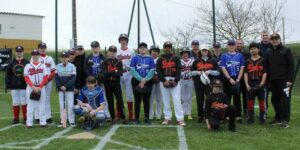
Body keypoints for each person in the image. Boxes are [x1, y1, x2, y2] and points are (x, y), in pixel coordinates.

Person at [267, 33, 294, 128]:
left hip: (284, 80)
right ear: (270, 40)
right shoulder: (269, 51)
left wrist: (290, 79)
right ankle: (278, 117)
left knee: (285, 100)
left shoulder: (286, 50)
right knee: (274, 99)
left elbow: (291, 65)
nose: (274, 41)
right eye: (272, 39)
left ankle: (285, 120)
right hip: (273, 80)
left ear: (279, 39)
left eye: (276, 39)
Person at [156, 41, 186, 126]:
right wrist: (163, 80)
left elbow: (179, 69)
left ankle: (180, 119)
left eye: (169, 47)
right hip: (164, 79)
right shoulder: (160, 59)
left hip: (174, 79)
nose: (167, 48)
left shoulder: (176, 58)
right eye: (166, 47)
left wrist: (176, 81)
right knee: (165, 99)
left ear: (171, 48)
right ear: (164, 48)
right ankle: (167, 117)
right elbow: (158, 70)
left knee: (176, 99)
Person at [191, 44, 220, 123]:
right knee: (199, 98)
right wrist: (197, 72)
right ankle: (200, 115)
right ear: (200, 51)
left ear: (208, 51)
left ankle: (209, 114)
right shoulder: (196, 61)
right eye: (203, 50)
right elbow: (191, 72)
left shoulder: (213, 60)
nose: (204, 51)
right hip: (198, 82)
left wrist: (210, 71)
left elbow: (218, 72)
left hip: (209, 82)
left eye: (206, 50)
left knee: (209, 98)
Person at [83, 41, 111, 119]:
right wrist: (91, 79)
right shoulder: (88, 58)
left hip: (101, 81)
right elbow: (85, 68)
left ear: (99, 48)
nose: (95, 48)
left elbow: (105, 69)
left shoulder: (103, 58)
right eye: (93, 47)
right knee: (90, 97)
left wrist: (99, 77)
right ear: (91, 48)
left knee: (103, 97)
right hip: (91, 83)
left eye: (96, 47)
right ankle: (91, 113)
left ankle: (106, 114)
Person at [129, 42, 155, 124]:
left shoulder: (150, 59)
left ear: (147, 49)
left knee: (146, 100)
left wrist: (145, 80)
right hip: (136, 81)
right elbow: (132, 70)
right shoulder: (134, 58)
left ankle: (147, 118)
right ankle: (136, 118)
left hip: (148, 81)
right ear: (138, 49)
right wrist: (141, 79)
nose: (142, 49)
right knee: (137, 100)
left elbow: (152, 70)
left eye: (144, 47)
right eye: (141, 48)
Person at [220, 40, 245, 123]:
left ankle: (238, 115)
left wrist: (238, 79)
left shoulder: (240, 55)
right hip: (227, 79)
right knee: (227, 98)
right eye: (229, 45)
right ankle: (226, 115)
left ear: (235, 46)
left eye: (233, 45)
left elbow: (242, 67)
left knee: (237, 98)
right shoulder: (224, 56)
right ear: (227, 46)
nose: (231, 46)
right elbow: (223, 68)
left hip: (237, 78)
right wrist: (229, 78)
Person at [101, 45, 127, 124]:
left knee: (119, 100)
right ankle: (113, 117)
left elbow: (120, 73)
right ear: (108, 52)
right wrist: (114, 71)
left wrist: (112, 73)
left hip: (116, 83)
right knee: (110, 101)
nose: (112, 53)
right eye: (111, 51)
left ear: (116, 53)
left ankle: (123, 117)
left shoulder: (119, 61)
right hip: (107, 83)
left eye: (114, 52)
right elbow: (104, 74)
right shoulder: (105, 62)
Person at [24, 49, 49, 128]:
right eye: (34, 55)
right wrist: (33, 86)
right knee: (30, 105)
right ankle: (29, 123)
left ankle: (43, 122)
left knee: (42, 105)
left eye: (37, 54)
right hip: (31, 87)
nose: (35, 56)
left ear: (39, 55)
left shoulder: (43, 65)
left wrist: (40, 86)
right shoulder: (28, 66)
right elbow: (26, 78)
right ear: (32, 56)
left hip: (41, 87)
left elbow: (46, 77)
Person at [244, 42, 267, 124]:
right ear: (249, 50)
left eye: (255, 48)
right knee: (250, 102)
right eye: (251, 49)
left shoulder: (263, 60)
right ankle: (250, 118)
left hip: (260, 83)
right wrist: (247, 85)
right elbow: (245, 73)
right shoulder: (247, 61)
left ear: (258, 49)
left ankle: (262, 118)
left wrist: (261, 84)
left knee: (262, 102)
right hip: (250, 83)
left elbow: (265, 73)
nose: (253, 50)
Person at [5, 45, 29, 124]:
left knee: (24, 102)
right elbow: (7, 75)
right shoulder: (11, 62)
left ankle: (25, 118)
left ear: (23, 52)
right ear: (15, 52)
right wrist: (8, 86)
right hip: (14, 86)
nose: (19, 53)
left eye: (20, 51)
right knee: (15, 102)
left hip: (24, 86)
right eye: (18, 52)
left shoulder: (27, 62)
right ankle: (16, 118)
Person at [55, 52, 77, 127]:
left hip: (69, 89)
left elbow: (73, 78)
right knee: (62, 105)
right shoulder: (57, 66)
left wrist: (66, 86)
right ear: (61, 58)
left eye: (66, 57)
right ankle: (63, 121)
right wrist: (61, 86)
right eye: (62, 57)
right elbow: (56, 78)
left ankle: (71, 121)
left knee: (70, 105)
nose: (64, 59)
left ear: (68, 58)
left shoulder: (72, 66)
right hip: (61, 89)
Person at [116, 33, 135, 120]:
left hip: (129, 75)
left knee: (129, 95)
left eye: (125, 39)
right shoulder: (117, 51)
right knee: (118, 95)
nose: (123, 41)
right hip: (119, 75)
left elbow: (134, 64)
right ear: (119, 41)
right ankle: (119, 114)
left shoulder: (131, 51)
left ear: (127, 41)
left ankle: (131, 114)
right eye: (121, 39)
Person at [37, 42, 56, 124]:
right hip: (38, 82)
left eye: (44, 47)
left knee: (47, 98)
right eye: (41, 47)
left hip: (48, 81)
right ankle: (38, 116)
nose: (42, 49)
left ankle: (48, 116)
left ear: (46, 48)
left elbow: (53, 71)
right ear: (38, 48)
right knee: (37, 98)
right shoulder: (35, 58)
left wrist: (48, 79)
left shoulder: (50, 58)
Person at [236, 39, 251, 117]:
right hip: (236, 78)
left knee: (246, 95)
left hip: (245, 78)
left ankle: (246, 111)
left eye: (240, 43)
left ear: (243, 44)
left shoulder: (248, 54)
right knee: (237, 95)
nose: (239, 45)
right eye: (238, 43)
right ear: (236, 44)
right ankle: (238, 112)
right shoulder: (233, 54)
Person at [179, 47, 194, 120]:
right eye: (183, 53)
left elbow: (195, 70)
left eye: (186, 53)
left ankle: (188, 113)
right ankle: (182, 113)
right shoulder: (179, 61)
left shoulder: (192, 61)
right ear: (181, 54)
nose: (185, 54)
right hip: (181, 80)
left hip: (190, 80)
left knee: (188, 98)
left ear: (188, 54)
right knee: (182, 98)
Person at [149, 44, 162, 120]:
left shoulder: (160, 60)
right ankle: (150, 113)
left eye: (156, 51)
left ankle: (158, 113)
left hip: (159, 80)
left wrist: (159, 76)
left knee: (159, 97)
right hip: (150, 80)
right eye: (153, 51)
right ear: (150, 51)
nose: (154, 52)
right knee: (150, 98)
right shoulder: (148, 59)